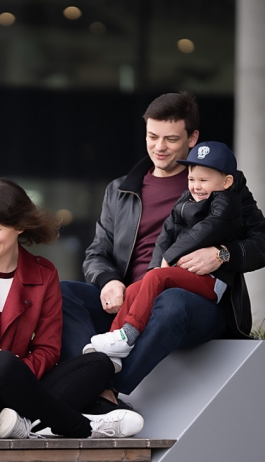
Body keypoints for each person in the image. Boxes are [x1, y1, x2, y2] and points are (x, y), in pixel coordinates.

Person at [60, 92, 265, 400]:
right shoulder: (121, 190)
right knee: (62, 293)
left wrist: (222, 255)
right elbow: (97, 252)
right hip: (131, 298)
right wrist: (108, 280)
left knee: (172, 302)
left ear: (193, 138)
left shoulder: (220, 183)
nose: (160, 147)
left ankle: (108, 391)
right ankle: (91, 372)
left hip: (193, 302)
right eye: (153, 136)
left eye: (171, 139)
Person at [0, 177, 145, 439]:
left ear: (19, 226)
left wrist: (19, 380)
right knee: (3, 362)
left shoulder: (44, 274)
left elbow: (48, 348)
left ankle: (24, 423)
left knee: (101, 364)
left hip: (21, 383)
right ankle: (77, 423)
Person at [85, 141, 243, 372]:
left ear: (227, 181)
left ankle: (128, 336)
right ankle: (114, 346)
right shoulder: (186, 200)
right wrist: (158, 264)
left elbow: (205, 230)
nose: (196, 186)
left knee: (157, 279)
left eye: (204, 180)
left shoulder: (225, 203)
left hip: (211, 280)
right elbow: (166, 232)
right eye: (191, 180)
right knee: (136, 287)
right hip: (182, 274)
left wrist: (170, 257)